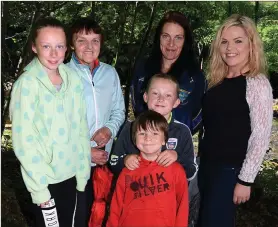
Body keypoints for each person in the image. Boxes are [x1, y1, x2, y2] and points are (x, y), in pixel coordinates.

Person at [9, 17, 91, 227]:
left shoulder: (72, 80)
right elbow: (24, 142)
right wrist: (40, 190)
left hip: (74, 175)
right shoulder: (26, 85)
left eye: (59, 46)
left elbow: (81, 127)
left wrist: (83, 173)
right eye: (46, 46)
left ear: (67, 48)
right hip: (46, 181)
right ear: (34, 47)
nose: (54, 54)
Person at [197, 14, 273, 227]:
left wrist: (245, 180)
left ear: (251, 45)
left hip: (230, 172)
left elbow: (261, 135)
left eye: (238, 41)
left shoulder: (256, 83)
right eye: (224, 41)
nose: (230, 48)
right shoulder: (216, 82)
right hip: (206, 166)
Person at [67, 17, 125, 226]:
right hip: (72, 166)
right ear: (72, 43)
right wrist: (86, 151)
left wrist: (109, 130)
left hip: (103, 164)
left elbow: (119, 110)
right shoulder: (63, 75)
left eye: (95, 41)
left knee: (101, 216)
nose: (89, 47)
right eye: (82, 40)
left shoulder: (110, 73)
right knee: (77, 217)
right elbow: (58, 128)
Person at [107, 110, 189, 227]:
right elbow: (116, 207)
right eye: (142, 133)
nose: (148, 138)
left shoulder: (176, 170)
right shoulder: (127, 171)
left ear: (164, 140)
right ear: (135, 139)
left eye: (155, 133)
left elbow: (183, 207)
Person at [110, 74, 197, 182]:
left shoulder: (182, 132)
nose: (160, 99)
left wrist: (176, 157)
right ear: (145, 97)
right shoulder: (131, 127)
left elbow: (191, 172)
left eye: (168, 95)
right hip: (135, 195)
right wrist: (125, 160)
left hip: (167, 197)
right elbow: (113, 163)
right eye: (155, 93)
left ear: (176, 102)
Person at [130, 11, 206, 134]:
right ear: (158, 37)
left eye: (178, 38)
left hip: (177, 146)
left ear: (185, 41)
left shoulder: (195, 76)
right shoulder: (142, 69)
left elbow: (199, 115)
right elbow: (137, 105)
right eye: (166, 36)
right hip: (146, 142)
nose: (171, 44)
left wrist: (180, 136)